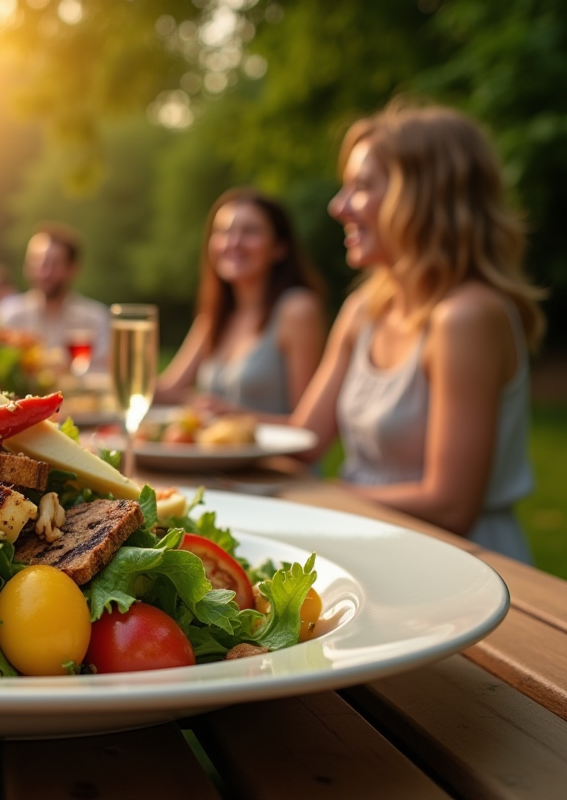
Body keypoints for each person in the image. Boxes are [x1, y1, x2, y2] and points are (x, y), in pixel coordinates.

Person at [291, 101, 545, 561]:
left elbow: (450, 505)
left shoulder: (465, 317)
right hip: (369, 543)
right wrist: (207, 421)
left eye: (362, 187)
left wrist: (316, 497)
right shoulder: (363, 309)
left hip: (467, 566)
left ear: (426, 196)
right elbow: (302, 439)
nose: (338, 206)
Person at [155, 188, 327, 418]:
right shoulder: (214, 316)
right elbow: (167, 392)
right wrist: (108, 373)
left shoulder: (297, 310)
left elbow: (310, 426)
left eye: (250, 231)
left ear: (279, 247)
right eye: (223, 232)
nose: (233, 242)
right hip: (219, 454)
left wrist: (233, 415)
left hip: (275, 455)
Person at [0, 222, 110, 369]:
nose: (43, 273)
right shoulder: (8, 315)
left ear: (72, 269)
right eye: (36, 262)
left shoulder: (95, 318)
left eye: (53, 264)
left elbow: (103, 373)